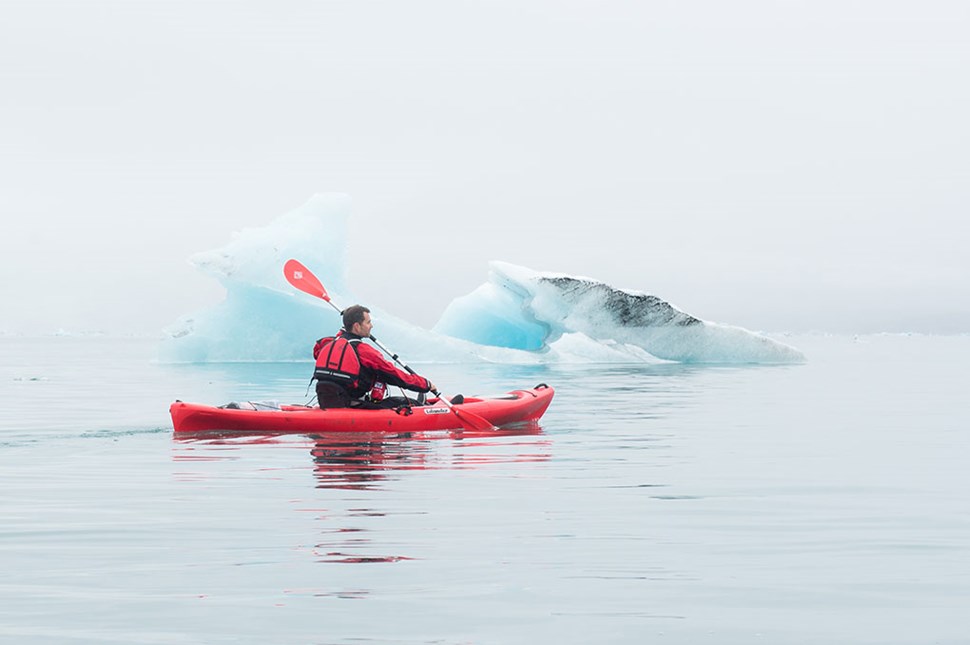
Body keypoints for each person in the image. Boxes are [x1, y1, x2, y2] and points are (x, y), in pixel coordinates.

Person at [312, 305, 435, 408]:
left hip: (326, 401)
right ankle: (421, 405)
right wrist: (425, 384)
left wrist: (343, 334)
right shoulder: (365, 352)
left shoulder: (327, 343)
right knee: (407, 403)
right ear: (356, 326)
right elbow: (396, 376)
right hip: (353, 404)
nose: (371, 326)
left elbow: (318, 352)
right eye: (368, 322)